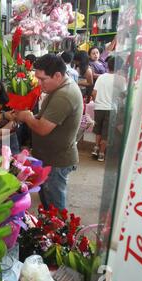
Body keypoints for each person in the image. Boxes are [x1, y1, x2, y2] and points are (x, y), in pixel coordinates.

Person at [16, 54, 83, 210]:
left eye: (42, 79)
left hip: (57, 161)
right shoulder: (59, 88)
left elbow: (43, 128)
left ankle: (59, 232)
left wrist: (27, 117)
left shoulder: (64, 95)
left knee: (54, 204)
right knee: (47, 199)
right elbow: (46, 117)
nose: (39, 83)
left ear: (58, 75)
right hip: (50, 157)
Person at [91, 56, 127, 162]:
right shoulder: (121, 79)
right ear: (120, 67)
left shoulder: (101, 77)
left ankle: (95, 148)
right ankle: (101, 154)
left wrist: (97, 101)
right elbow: (124, 95)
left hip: (99, 108)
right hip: (111, 109)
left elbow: (94, 93)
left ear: (108, 65)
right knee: (106, 133)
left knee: (98, 130)